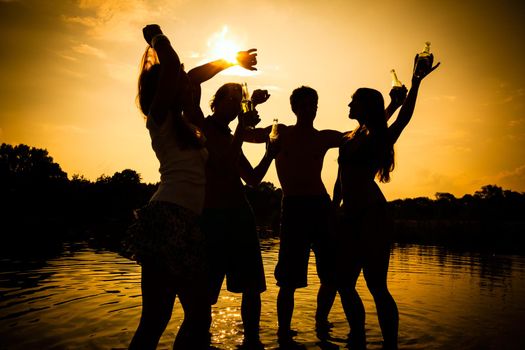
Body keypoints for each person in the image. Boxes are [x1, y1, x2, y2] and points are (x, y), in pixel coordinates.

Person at [244, 85, 406, 344]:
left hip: (321, 207)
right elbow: (246, 135)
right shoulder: (280, 132)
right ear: (295, 108)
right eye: (306, 104)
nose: (311, 109)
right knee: (287, 279)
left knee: (332, 277)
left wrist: (393, 107)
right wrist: (251, 106)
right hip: (294, 209)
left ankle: (322, 324)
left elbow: (365, 133)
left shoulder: (324, 137)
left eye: (314, 104)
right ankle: (284, 333)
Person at [333, 58, 439, 349]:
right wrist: (334, 208)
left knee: (376, 286)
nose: (348, 106)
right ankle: (358, 338)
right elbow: (340, 179)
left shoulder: (377, 137)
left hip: (372, 217)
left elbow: (402, 119)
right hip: (349, 216)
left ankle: (390, 345)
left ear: (364, 107)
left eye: (353, 102)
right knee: (344, 283)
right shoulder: (350, 137)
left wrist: (416, 83)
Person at [122, 25, 210, 349]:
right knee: (156, 320)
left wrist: (231, 63)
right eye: (179, 81)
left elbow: (193, 75)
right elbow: (174, 66)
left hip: (190, 224)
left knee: (199, 316)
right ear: (166, 88)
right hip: (167, 218)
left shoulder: (191, 126)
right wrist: (156, 36)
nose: (185, 81)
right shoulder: (158, 119)